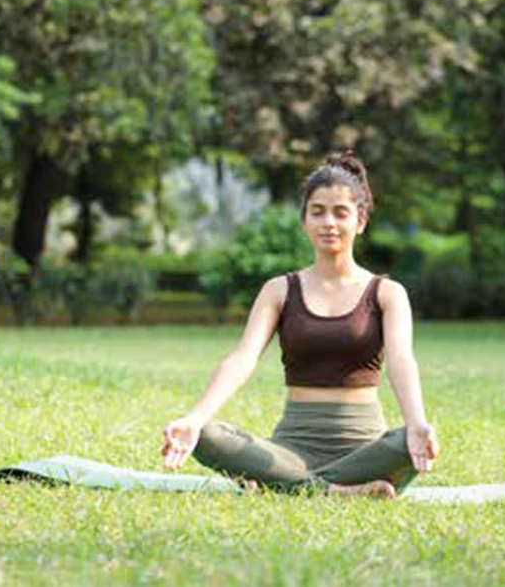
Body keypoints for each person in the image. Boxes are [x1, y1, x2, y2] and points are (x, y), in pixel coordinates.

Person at [161, 150, 440, 498]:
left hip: (365, 452)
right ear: (304, 220)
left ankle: (284, 488)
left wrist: (416, 422)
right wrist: (195, 418)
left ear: (361, 221)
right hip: (289, 451)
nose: (329, 223)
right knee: (205, 435)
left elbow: (401, 362)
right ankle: (334, 491)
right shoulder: (279, 290)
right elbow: (242, 358)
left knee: (407, 443)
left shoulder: (387, 293)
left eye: (341, 213)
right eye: (317, 212)